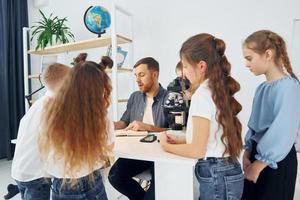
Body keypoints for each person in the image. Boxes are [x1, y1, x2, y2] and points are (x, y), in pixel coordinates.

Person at [159, 33, 244, 199]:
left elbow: (197, 150)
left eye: (185, 66)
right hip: (227, 171)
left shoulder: (202, 95)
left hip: (216, 177)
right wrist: (182, 140)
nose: (183, 73)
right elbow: (212, 136)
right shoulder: (217, 90)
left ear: (201, 66)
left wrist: (165, 146)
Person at [39, 57, 114, 200]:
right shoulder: (99, 114)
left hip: (58, 185)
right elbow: (108, 147)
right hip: (89, 181)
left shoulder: (50, 108)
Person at [241, 30, 300, 200]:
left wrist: (259, 165)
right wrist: (247, 151)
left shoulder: (289, 87)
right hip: (257, 157)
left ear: (268, 54)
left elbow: (283, 132)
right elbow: (255, 125)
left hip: (275, 163)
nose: (246, 64)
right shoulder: (262, 88)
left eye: (249, 58)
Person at [109, 57, 169, 200]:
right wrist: (107, 125)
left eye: (141, 75)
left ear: (155, 74)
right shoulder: (134, 97)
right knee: (114, 176)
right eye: (135, 75)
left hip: (160, 155)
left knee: (156, 191)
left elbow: (176, 132)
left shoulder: (170, 98)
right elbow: (123, 122)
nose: (137, 80)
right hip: (137, 153)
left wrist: (148, 127)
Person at [11, 63, 70, 200]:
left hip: (20, 170)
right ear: (66, 82)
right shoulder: (55, 107)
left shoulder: (38, 103)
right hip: (36, 175)